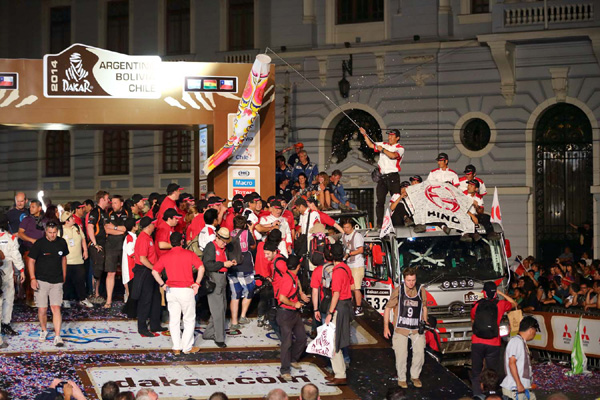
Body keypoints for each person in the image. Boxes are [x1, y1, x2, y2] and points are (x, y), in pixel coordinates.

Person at [152, 232, 204, 354]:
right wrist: (197, 283)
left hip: (171, 290)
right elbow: (201, 267)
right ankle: (187, 347)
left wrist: (162, 284)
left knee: (174, 320)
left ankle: (176, 347)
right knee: (189, 319)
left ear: (170, 242)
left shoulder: (166, 256)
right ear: (181, 241)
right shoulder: (189, 254)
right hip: (186, 290)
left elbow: (154, 271)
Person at [383, 267, 428, 389]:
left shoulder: (421, 290)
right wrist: (386, 327)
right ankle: (402, 378)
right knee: (401, 354)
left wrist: (425, 320)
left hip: (416, 328)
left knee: (419, 352)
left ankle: (415, 376)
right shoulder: (398, 291)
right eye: (409, 280)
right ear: (404, 280)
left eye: (413, 280)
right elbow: (387, 308)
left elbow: (424, 306)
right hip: (401, 328)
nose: (411, 283)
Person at [470, 282, 517, 397]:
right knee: (491, 372)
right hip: (494, 343)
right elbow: (514, 303)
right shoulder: (500, 304)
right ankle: (491, 395)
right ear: (495, 292)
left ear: (484, 292)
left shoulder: (476, 305)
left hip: (477, 341)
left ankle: (477, 395)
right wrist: (501, 293)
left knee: (476, 372)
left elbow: (473, 320)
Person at [27, 222, 69, 347]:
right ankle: (44, 330)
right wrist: (33, 278)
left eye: (55, 232)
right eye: (50, 233)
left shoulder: (62, 242)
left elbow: (64, 259)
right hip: (41, 280)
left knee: (56, 308)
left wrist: (64, 275)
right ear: (46, 232)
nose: (52, 235)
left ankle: (57, 336)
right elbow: (31, 261)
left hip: (57, 280)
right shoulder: (39, 244)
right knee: (42, 309)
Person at [272, 254, 309, 380]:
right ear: (298, 266)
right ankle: (285, 369)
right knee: (287, 342)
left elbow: (296, 283)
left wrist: (301, 293)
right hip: (285, 313)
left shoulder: (292, 275)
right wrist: (295, 303)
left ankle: (293, 359)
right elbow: (282, 298)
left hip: (293, 313)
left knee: (302, 338)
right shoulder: (288, 279)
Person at [322, 243, 353, 386]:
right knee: (336, 341)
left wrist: (329, 313)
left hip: (339, 307)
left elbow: (336, 294)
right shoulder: (346, 268)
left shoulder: (337, 271)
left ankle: (340, 374)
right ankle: (338, 372)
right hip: (346, 305)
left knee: (334, 342)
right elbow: (352, 286)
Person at [360, 127, 404, 228]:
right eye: (389, 135)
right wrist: (365, 135)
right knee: (380, 202)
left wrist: (383, 150)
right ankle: (379, 223)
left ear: (397, 138)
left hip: (393, 177)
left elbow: (393, 156)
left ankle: (397, 222)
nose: (389, 137)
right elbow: (371, 145)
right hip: (383, 177)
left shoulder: (400, 148)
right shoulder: (383, 144)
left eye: (392, 135)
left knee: (396, 200)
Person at [202, 227, 237, 348]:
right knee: (218, 310)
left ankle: (209, 333)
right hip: (214, 278)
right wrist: (223, 264)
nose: (224, 243)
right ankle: (219, 338)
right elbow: (207, 264)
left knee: (220, 308)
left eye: (225, 241)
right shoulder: (210, 247)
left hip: (222, 278)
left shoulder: (223, 248)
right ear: (217, 237)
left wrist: (229, 263)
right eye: (222, 241)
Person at [132, 216, 164, 337]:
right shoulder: (143, 238)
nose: (154, 226)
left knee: (156, 297)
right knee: (145, 300)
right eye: (153, 224)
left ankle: (155, 324)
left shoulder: (148, 237)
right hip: (145, 271)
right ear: (148, 226)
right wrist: (154, 268)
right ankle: (142, 327)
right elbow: (142, 259)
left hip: (150, 270)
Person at [500, 316, 540, 400]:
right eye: (535, 330)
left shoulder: (521, 342)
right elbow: (512, 363)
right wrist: (519, 384)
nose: (535, 333)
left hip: (523, 387)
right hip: (514, 388)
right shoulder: (515, 341)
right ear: (531, 329)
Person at [228, 215, 256, 330]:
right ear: (244, 224)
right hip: (245, 267)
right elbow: (253, 246)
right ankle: (243, 316)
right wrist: (251, 230)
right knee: (249, 291)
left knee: (235, 295)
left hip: (232, 267)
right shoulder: (246, 233)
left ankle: (234, 322)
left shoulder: (230, 234)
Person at [58, 211, 92, 308]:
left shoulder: (77, 228)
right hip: (66, 261)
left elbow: (83, 238)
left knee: (80, 280)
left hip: (78, 260)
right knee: (66, 281)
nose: (74, 219)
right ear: (67, 221)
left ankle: (82, 298)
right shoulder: (61, 230)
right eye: (71, 218)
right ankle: (65, 299)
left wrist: (85, 250)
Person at [0, 213, 25, 337]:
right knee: (8, 298)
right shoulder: (11, 238)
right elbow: (16, 255)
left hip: (5, 268)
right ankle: (5, 323)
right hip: (6, 269)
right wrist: (21, 270)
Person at [18, 199, 45, 307]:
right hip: (29, 250)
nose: (31, 208)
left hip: (42, 251)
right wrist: (31, 240)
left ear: (39, 208)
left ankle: (40, 296)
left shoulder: (45, 220)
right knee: (30, 274)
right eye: (30, 206)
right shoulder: (27, 220)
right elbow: (20, 233)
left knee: (42, 274)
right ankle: (29, 298)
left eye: (33, 206)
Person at [86, 190, 110, 304]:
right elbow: (90, 227)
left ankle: (97, 293)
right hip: (97, 244)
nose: (108, 201)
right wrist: (95, 244)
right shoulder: (95, 212)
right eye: (107, 199)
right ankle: (94, 294)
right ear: (102, 199)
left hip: (103, 243)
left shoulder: (104, 212)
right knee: (96, 269)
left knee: (100, 269)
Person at [341, 219, 365, 316]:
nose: (346, 229)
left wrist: (349, 254)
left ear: (352, 227)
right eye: (344, 227)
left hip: (357, 264)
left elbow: (360, 250)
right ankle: (350, 306)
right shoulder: (343, 236)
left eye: (348, 227)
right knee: (349, 287)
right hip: (348, 265)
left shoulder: (357, 236)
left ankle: (359, 307)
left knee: (356, 287)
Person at [121, 218, 137, 303]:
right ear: (133, 227)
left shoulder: (133, 236)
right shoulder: (129, 237)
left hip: (133, 264)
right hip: (129, 264)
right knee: (128, 281)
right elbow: (131, 252)